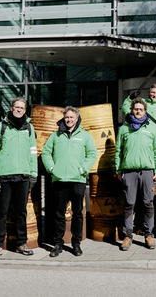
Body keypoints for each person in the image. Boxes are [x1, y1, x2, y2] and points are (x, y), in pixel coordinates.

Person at [41, 106, 97, 257]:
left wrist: (82, 169)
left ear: (77, 119)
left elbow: (92, 154)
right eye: (67, 117)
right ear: (63, 118)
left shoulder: (85, 136)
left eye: (72, 117)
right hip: (59, 180)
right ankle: (58, 243)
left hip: (77, 180)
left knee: (77, 214)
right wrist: (52, 168)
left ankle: (76, 243)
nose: (69, 119)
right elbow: (46, 152)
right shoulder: (55, 135)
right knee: (58, 213)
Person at [0, 97, 37, 259]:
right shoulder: (0, 127)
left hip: (23, 176)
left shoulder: (29, 128)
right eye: (16, 107)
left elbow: (33, 153)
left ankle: (21, 243)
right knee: (1, 212)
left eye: (22, 108)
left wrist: (33, 174)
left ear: (25, 110)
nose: (19, 110)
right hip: (4, 176)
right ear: (11, 108)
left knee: (21, 212)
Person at [114, 98, 156, 251]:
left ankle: (149, 235)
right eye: (135, 109)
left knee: (148, 203)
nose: (137, 111)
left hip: (147, 172)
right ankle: (128, 235)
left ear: (145, 111)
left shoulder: (153, 129)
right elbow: (118, 152)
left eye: (140, 109)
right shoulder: (124, 129)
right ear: (132, 111)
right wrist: (118, 170)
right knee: (129, 204)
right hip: (129, 172)